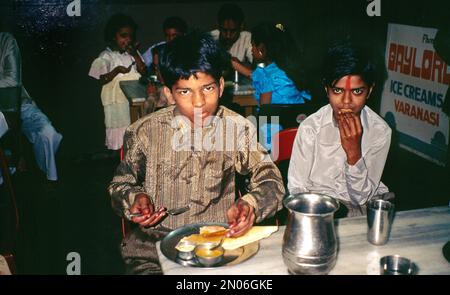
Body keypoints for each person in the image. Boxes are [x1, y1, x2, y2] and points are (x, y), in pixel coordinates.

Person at [108, 31, 285, 274]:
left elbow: (270, 179)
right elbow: (121, 184)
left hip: (219, 243)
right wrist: (134, 199)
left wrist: (250, 204)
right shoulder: (144, 132)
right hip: (154, 249)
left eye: (207, 88)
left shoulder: (237, 129)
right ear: (169, 94)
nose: (199, 102)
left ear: (221, 86)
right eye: (185, 91)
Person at [287, 40, 392, 217]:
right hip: (316, 211)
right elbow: (297, 189)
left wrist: (354, 154)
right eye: (337, 91)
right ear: (326, 89)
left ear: (370, 90)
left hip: (358, 211)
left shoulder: (379, 132)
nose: (346, 102)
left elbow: (361, 198)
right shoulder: (311, 128)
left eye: (357, 92)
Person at [233, 22, 311, 150]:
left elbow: (265, 114)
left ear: (261, 49)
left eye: (253, 45)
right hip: (298, 137)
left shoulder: (265, 76)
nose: (251, 50)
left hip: (273, 143)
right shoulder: (289, 71)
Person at [0, 31, 63, 185]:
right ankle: (10, 164)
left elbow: (12, 80)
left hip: (19, 102)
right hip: (3, 114)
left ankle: (48, 179)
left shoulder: (5, 40)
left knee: (49, 134)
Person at [88, 13, 147, 151]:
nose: (127, 40)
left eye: (130, 36)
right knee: (123, 143)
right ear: (113, 36)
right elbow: (99, 78)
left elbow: (144, 71)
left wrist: (135, 54)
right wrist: (116, 71)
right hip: (119, 108)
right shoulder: (106, 56)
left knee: (137, 141)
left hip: (135, 106)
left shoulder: (132, 55)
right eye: (123, 36)